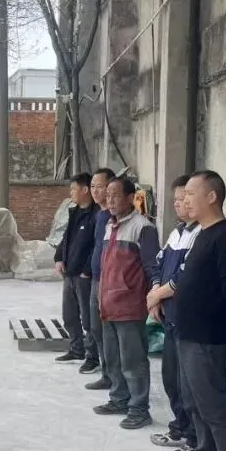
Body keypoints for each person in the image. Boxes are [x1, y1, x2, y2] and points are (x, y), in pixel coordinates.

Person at [164, 170, 226, 451]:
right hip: (188, 331)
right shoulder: (201, 233)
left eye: (191, 194)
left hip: (208, 336)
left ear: (211, 197)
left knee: (213, 406)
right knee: (193, 400)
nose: (185, 200)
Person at [92, 177, 160, 429]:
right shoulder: (110, 225)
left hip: (129, 306)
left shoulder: (143, 228)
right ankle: (119, 399)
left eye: (116, 195)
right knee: (112, 358)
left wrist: (153, 297)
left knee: (133, 361)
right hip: (108, 304)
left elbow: (153, 267)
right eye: (108, 195)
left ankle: (139, 409)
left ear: (131, 198)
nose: (110, 200)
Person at [147, 175, 200, 450]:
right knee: (171, 378)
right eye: (177, 199)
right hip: (170, 318)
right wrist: (155, 293)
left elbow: (185, 275)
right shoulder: (177, 233)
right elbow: (158, 264)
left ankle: (195, 437)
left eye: (185, 198)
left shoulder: (202, 234)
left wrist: (158, 295)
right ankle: (180, 427)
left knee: (190, 383)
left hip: (189, 319)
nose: (179, 204)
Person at [54, 173, 99, 369]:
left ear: (85, 190)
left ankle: (92, 357)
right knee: (70, 315)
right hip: (70, 274)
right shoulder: (74, 212)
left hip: (84, 276)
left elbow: (97, 246)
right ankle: (76, 349)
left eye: (73, 189)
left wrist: (87, 270)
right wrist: (58, 258)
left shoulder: (97, 215)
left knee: (88, 319)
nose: (71, 192)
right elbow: (66, 239)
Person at [85, 167, 116, 390]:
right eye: (93, 186)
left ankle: (113, 376)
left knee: (107, 330)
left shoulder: (113, 218)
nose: (95, 191)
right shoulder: (99, 214)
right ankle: (107, 373)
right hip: (96, 277)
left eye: (100, 186)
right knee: (95, 327)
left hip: (108, 280)